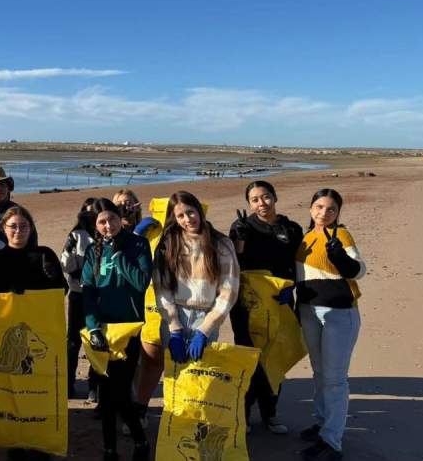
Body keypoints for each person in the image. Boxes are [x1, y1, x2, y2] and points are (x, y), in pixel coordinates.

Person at [0, 205, 67, 461]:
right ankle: (14, 439)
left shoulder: (45, 255)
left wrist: (53, 276)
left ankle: (40, 440)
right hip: (5, 337)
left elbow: (62, 292)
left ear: (31, 229)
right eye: (13, 226)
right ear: (3, 229)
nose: (18, 231)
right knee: (10, 388)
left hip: (40, 335)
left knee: (38, 387)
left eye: (23, 226)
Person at [295, 189, 366, 461]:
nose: (324, 213)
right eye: (319, 207)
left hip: (339, 314)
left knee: (335, 379)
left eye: (331, 209)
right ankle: (323, 421)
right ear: (311, 208)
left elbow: (359, 270)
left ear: (338, 213)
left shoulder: (341, 235)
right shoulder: (304, 238)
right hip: (309, 312)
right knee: (318, 372)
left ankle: (332, 440)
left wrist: (340, 258)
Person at [228, 181, 303, 434]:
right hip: (247, 303)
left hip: (279, 300)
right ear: (249, 203)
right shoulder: (242, 227)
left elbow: (298, 265)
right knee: (249, 356)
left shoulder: (291, 228)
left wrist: (292, 288)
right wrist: (238, 241)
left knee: (274, 354)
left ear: (275, 197)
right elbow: (233, 266)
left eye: (266, 197)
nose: (262, 203)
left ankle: (270, 412)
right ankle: (244, 412)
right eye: (255, 199)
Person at [80, 199, 152, 461]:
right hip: (102, 329)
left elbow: (142, 283)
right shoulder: (93, 251)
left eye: (111, 219)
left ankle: (140, 441)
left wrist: (120, 255)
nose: (107, 225)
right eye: (101, 222)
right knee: (106, 394)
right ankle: (110, 448)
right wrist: (92, 327)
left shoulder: (138, 245)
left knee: (120, 391)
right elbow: (88, 290)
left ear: (120, 218)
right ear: (95, 225)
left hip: (129, 329)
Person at [153, 191, 239, 364]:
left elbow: (229, 291)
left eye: (190, 212)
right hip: (174, 315)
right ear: (174, 218)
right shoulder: (168, 244)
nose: (187, 219)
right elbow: (162, 288)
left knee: (200, 378)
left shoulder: (221, 244)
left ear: (199, 210)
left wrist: (205, 330)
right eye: (180, 215)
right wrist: (174, 327)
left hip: (206, 316)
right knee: (176, 380)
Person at [112, 190, 161, 434]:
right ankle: (123, 409)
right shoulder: (111, 229)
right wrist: (133, 234)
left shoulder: (153, 230)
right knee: (124, 359)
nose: (126, 207)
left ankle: (138, 408)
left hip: (149, 303)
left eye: (130, 202)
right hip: (121, 301)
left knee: (146, 358)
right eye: (120, 204)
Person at [59, 197, 100, 400]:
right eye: (87, 212)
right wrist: (78, 268)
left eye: (95, 212)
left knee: (97, 338)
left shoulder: (105, 232)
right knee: (73, 341)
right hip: (78, 293)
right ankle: (68, 383)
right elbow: (66, 264)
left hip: (101, 295)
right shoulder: (76, 235)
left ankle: (94, 385)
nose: (91, 216)